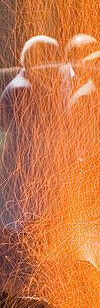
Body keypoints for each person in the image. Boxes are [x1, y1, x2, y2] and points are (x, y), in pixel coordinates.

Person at [0, 36, 66, 228]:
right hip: (26, 166)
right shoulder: (25, 89)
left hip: (25, 165)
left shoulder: (26, 84)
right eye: (52, 59)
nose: (56, 66)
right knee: (25, 221)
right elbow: (37, 131)